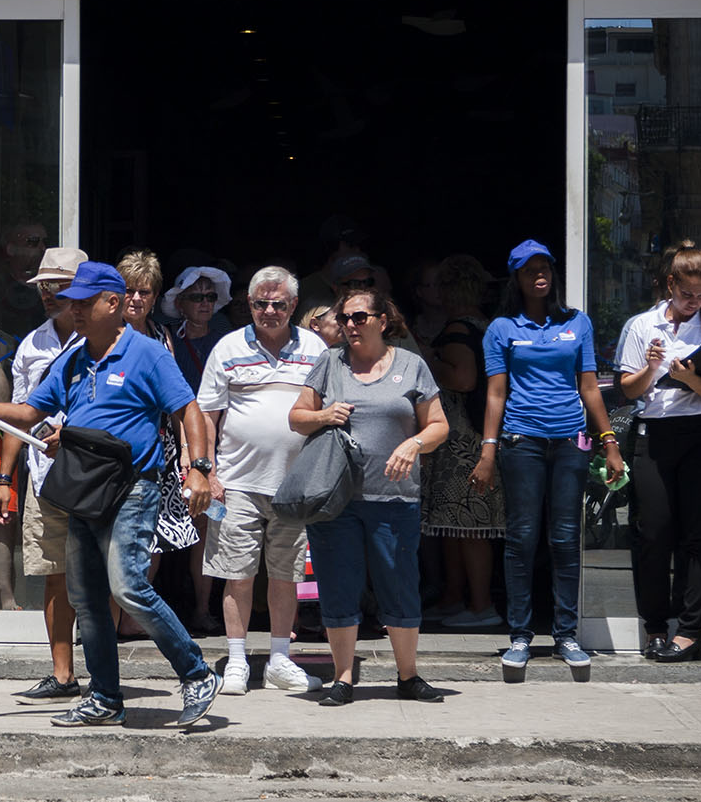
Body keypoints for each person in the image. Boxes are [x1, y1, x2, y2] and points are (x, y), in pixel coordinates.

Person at [0, 262, 223, 728]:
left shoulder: (147, 353)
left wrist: (198, 468)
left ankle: (197, 673)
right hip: (83, 489)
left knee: (127, 585)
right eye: (70, 301)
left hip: (133, 486)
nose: (71, 309)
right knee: (87, 597)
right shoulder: (72, 360)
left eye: (83, 302)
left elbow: (188, 410)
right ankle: (106, 697)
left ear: (113, 303)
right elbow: (29, 411)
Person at [472, 240, 624, 682]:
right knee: (522, 537)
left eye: (545, 268)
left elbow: (590, 387)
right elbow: (495, 393)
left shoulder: (577, 322)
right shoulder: (501, 328)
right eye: (529, 270)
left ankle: (566, 635)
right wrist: (488, 450)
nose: (539, 275)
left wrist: (609, 441)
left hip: (571, 441)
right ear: (516, 278)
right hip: (521, 441)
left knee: (565, 538)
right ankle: (520, 635)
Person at [289, 287, 449, 706]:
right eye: (344, 318)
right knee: (338, 586)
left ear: (382, 320)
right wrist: (324, 415)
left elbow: (438, 426)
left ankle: (408, 676)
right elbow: (297, 418)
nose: (350, 325)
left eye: (359, 317)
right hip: (334, 498)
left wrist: (413, 444)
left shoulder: (411, 365)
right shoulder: (329, 363)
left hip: (394, 498)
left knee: (399, 584)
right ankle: (343, 678)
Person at [197, 266, 327, 695]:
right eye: (260, 303)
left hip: (295, 485)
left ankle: (279, 661)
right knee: (236, 575)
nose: (269, 311)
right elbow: (207, 415)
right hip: (236, 483)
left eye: (278, 304)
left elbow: (327, 409)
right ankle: (236, 661)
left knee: (286, 576)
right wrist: (208, 471)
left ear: (293, 305)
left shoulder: (315, 347)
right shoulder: (228, 347)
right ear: (248, 304)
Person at [616, 247, 701, 663]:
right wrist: (652, 369)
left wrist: (688, 377)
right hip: (656, 433)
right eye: (687, 294)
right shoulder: (642, 325)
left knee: (698, 535)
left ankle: (689, 631)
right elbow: (628, 389)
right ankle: (654, 626)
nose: (694, 303)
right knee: (653, 532)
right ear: (671, 285)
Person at [0, 247, 87, 703]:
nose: (49, 294)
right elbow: (20, 416)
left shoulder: (108, 339)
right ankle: (62, 674)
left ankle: (104, 675)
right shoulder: (32, 344)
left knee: (107, 577)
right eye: (43, 286)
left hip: (97, 476)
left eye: (59, 286)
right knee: (55, 575)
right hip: (45, 476)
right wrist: (5, 479)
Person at [114, 250, 198, 639]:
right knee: (117, 538)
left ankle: (133, 616)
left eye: (144, 292)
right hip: (117, 450)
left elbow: (177, 398)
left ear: (154, 296)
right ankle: (111, 617)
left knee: (156, 534)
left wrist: (186, 452)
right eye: (128, 290)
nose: (135, 299)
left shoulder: (162, 336)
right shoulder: (104, 333)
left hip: (159, 449)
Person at [420, 255, 505, 629]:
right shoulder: (485, 325)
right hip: (470, 437)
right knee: (453, 525)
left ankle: (480, 604)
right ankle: (455, 598)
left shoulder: (459, 328)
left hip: (463, 441)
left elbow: (464, 379)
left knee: (469, 525)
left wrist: (429, 359)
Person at [162, 265, 234, 633]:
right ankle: (172, 607)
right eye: (196, 297)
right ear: (180, 303)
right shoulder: (168, 343)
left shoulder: (228, 342)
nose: (204, 303)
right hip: (181, 443)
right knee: (177, 524)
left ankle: (205, 608)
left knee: (210, 526)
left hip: (225, 442)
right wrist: (188, 451)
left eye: (210, 296)